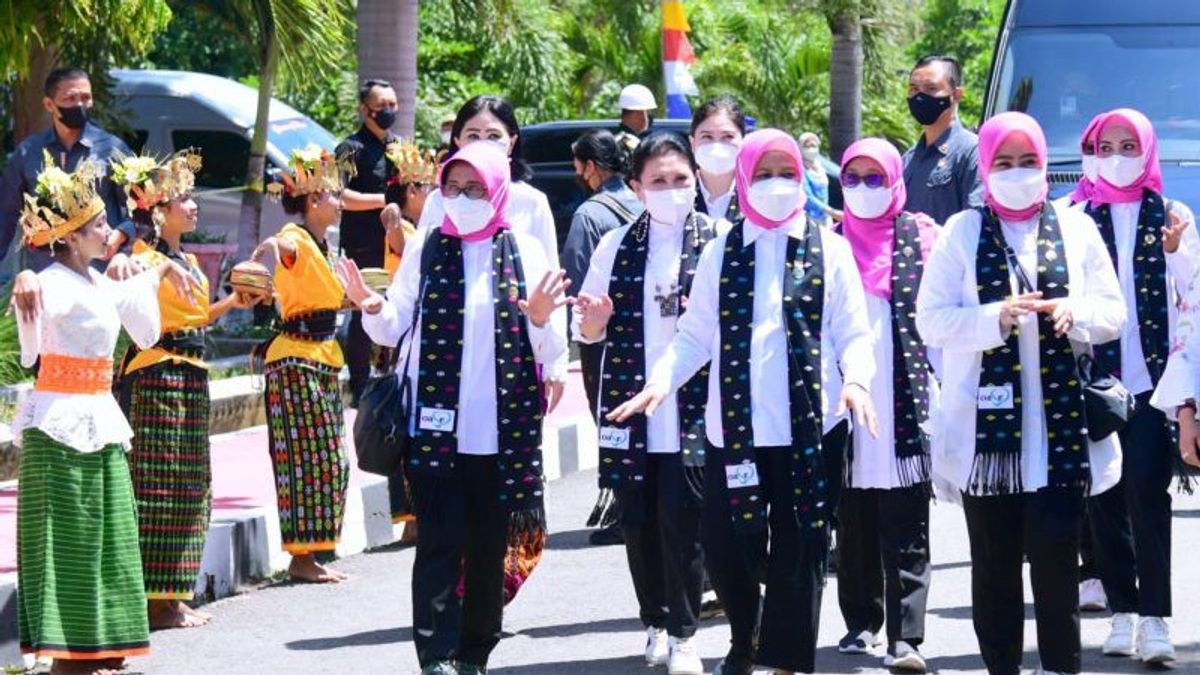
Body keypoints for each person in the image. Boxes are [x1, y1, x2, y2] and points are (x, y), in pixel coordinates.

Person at [610, 128, 879, 675]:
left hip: (812, 427)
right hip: (733, 431)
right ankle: (746, 636)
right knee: (726, 544)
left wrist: (857, 381)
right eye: (763, 173)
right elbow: (693, 335)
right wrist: (664, 380)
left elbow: (852, 333)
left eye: (786, 172)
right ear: (743, 179)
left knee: (801, 548)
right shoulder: (721, 249)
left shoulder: (830, 248)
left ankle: (785, 660)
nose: (775, 184)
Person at [342, 141, 570, 675]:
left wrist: (538, 319)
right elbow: (395, 322)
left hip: (500, 433)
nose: (462, 198)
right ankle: (436, 655)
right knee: (439, 544)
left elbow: (550, 350)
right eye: (453, 188)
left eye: (475, 189)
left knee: (489, 547)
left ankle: (475, 651)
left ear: (498, 191)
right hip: (435, 430)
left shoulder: (527, 253)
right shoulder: (428, 247)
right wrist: (370, 306)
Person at [916, 111, 1126, 675]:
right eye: (1003, 163)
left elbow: (1112, 312)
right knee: (994, 569)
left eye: (1027, 162)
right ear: (985, 166)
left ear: (1044, 165)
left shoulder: (1076, 227)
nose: (1016, 173)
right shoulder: (962, 231)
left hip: (1059, 440)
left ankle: (1060, 667)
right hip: (988, 446)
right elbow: (930, 321)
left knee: (1058, 567)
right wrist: (993, 318)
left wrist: (1072, 312)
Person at [11, 155, 198, 675]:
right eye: (96, 226)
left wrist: (158, 265)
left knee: (112, 528)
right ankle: (68, 651)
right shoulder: (45, 281)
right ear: (69, 237)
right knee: (68, 534)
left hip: (100, 413)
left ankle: (104, 641)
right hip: (59, 423)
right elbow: (29, 348)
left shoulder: (99, 281)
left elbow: (145, 328)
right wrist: (25, 272)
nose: (107, 231)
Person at [574, 133, 722, 675]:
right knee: (638, 521)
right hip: (630, 404)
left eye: (680, 179)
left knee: (685, 518)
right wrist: (591, 322)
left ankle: (686, 633)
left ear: (697, 179)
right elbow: (587, 325)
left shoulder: (719, 239)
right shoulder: (615, 244)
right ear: (636, 186)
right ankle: (655, 621)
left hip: (694, 403)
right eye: (657, 181)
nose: (670, 190)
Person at [109, 151, 253, 629]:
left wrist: (233, 300)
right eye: (183, 199)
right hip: (156, 375)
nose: (193, 206)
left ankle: (172, 593)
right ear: (157, 211)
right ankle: (156, 600)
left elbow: (195, 318)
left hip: (191, 374)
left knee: (191, 485)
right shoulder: (138, 261)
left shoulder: (187, 259)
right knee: (157, 486)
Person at [1078, 108, 1196, 666]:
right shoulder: (1076, 215)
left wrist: (1175, 254)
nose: (1118, 157)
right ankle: (1121, 612)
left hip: (1152, 383)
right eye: (1108, 147)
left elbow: (1192, 296)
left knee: (1148, 495)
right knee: (1104, 497)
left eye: (1129, 146)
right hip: (1098, 382)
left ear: (1147, 151)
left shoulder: (1172, 213)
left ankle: (1155, 619)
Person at [834, 138, 938, 673]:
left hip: (904, 399)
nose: (864, 189)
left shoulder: (920, 236)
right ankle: (861, 622)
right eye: (853, 179)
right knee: (853, 522)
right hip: (844, 400)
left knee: (906, 522)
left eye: (876, 178)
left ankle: (907, 636)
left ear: (896, 180)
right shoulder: (829, 242)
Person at [249, 145, 351, 584]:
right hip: (294, 360)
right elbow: (275, 245)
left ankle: (310, 553)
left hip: (322, 357)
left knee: (331, 460)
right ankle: (302, 557)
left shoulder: (325, 246)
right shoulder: (296, 239)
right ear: (312, 200)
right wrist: (260, 261)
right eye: (333, 196)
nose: (340, 202)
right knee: (308, 459)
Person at [0, 67, 138, 274]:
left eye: (86, 97)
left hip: (101, 274)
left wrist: (122, 235)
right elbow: (4, 217)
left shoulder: (111, 149)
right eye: (70, 98)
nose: (80, 105)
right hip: (46, 275)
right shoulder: (28, 153)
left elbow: (145, 208)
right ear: (49, 104)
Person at [562, 129, 642, 417]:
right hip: (647, 333)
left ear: (591, 167)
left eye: (578, 168)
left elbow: (575, 282)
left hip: (602, 339)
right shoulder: (645, 202)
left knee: (610, 421)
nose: (578, 175)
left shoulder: (588, 215)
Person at [335, 79, 400, 405]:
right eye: (381, 105)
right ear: (364, 109)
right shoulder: (350, 148)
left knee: (397, 306)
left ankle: (391, 374)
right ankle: (359, 386)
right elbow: (339, 195)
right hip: (364, 243)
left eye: (392, 104)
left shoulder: (400, 147)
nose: (388, 110)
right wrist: (381, 201)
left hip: (397, 244)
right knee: (365, 310)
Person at [902, 55, 984, 225]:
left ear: (956, 94)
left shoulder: (973, 152)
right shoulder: (908, 159)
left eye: (931, 88)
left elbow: (976, 222)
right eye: (914, 89)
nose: (919, 96)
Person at [689, 96, 745, 222]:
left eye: (727, 136)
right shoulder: (680, 195)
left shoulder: (755, 197)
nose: (716, 145)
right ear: (692, 143)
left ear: (743, 141)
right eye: (707, 136)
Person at [799, 132, 840, 227]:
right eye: (807, 146)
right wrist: (831, 211)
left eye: (814, 146)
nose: (811, 149)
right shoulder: (801, 169)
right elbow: (808, 197)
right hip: (809, 218)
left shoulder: (820, 167)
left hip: (825, 217)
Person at [616, 83, 657, 153]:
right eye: (647, 112)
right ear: (639, 114)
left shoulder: (614, 141)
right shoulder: (639, 147)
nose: (648, 118)